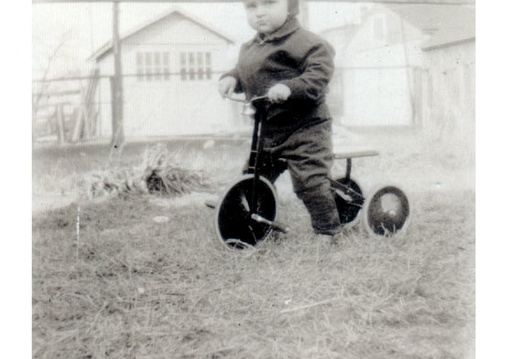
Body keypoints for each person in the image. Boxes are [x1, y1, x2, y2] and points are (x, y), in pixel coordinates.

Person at [218, 0, 342, 241]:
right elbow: (245, 70)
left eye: (268, 4)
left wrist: (290, 87)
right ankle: (258, 223)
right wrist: (232, 79)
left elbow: (319, 74)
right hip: (269, 131)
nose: (259, 13)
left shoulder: (308, 43)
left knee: (309, 180)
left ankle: (328, 230)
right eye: (251, 7)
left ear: (290, 6)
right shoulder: (250, 47)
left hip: (306, 128)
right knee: (254, 179)